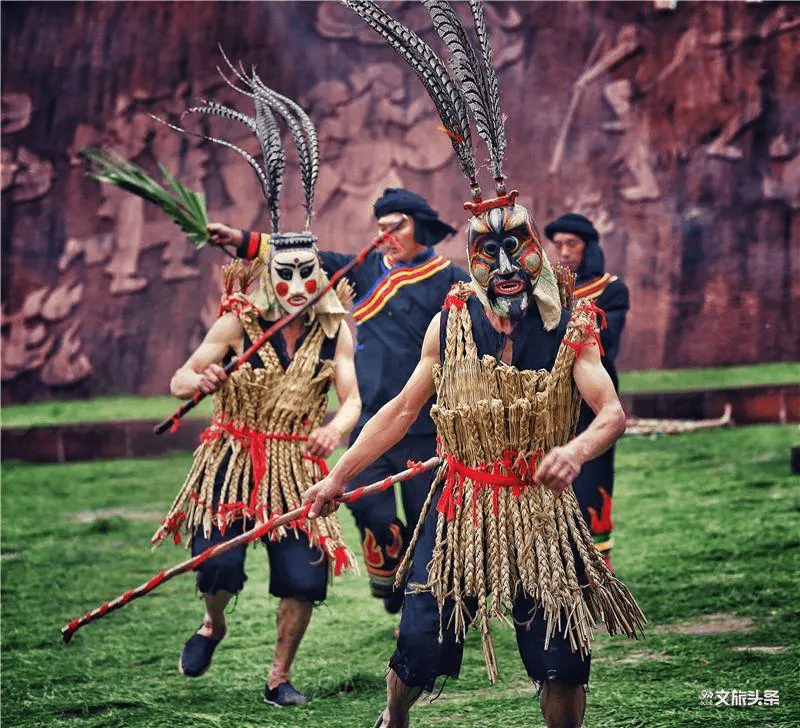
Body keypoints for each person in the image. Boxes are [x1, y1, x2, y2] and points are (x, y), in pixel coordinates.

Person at [303, 3, 644, 727]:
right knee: (422, 639)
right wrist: (335, 478)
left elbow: (611, 410)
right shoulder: (450, 321)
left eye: (516, 245)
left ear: (536, 250)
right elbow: (399, 412)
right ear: (472, 261)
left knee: (559, 650)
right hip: (461, 506)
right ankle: (394, 717)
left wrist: (576, 448)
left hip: (541, 512)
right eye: (487, 252)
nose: (504, 263)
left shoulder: (571, 325)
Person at [151, 66, 361, 707]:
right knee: (218, 562)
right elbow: (179, 378)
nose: (299, 289)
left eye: (308, 275)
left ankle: (278, 675)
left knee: (303, 574)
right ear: (268, 277)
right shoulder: (238, 322)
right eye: (286, 275)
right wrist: (201, 376)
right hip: (233, 458)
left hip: (296, 463)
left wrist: (338, 426)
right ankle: (212, 621)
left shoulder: (334, 330)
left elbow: (353, 397)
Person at [207, 188, 469, 614]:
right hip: (373, 422)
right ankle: (393, 581)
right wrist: (239, 238)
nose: (385, 235)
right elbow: (308, 257)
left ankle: (437, 601)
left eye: (395, 226)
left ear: (420, 225)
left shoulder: (449, 280)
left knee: (432, 520)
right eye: (380, 227)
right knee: (368, 506)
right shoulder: (364, 269)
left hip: (431, 425)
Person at [544, 213, 630, 571]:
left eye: (572, 244)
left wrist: (570, 316)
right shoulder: (542, 288)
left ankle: (595, 571)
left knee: (591, 481)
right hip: (549, 399)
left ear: (588, 247)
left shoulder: (611, 289)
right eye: (558, 244)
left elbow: (607, 341)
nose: (563, 252)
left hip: (593, 398)